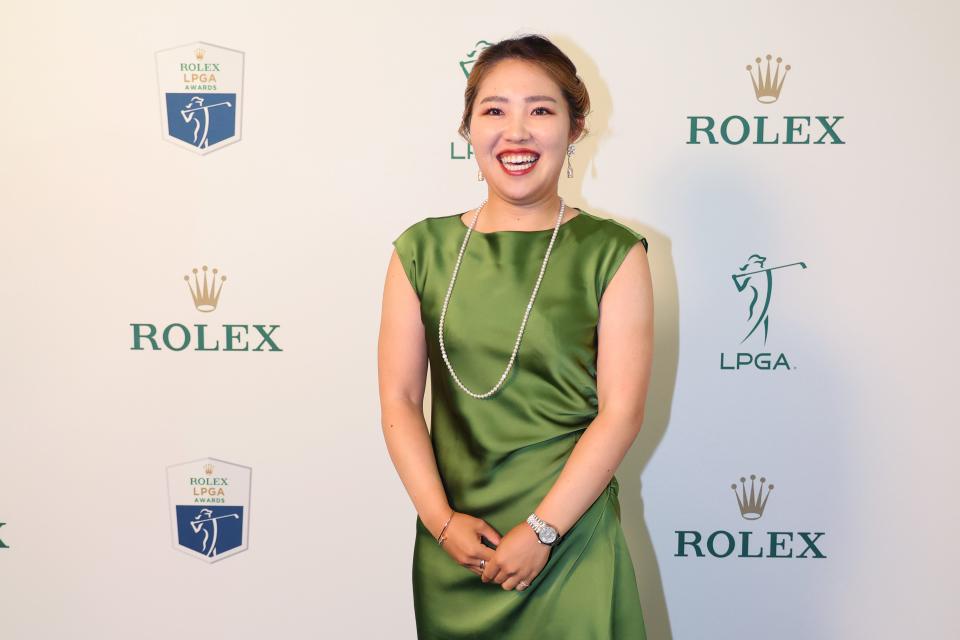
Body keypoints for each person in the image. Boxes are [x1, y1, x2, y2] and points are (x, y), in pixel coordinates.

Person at [378, 34, 653, 639]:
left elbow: (622, 412)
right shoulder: (420, 251)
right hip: (455, 546)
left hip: (570, 538)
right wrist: (441, 522)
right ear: (469, 127)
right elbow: (399, 398)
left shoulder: (613, 254)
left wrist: (544, 529)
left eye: (541, 109)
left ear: (576, 127)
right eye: (495, 110)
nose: (517, 131)